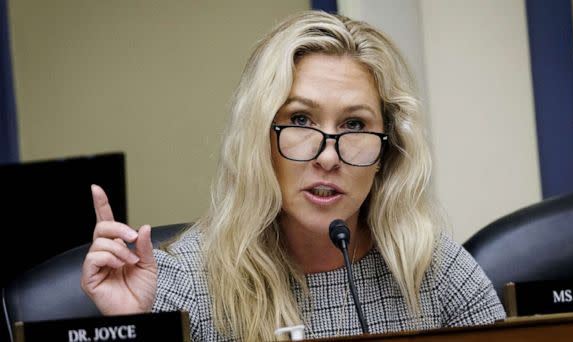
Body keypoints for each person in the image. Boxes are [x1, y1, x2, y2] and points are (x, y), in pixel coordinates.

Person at [81, 10, 506, 342]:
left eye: (355, 126)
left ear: (386, 151)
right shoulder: (190, 284)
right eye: (301, 119)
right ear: (260, 140)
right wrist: (135, 331)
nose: (327, 156)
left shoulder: (432, 268)